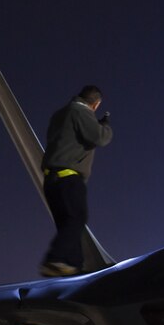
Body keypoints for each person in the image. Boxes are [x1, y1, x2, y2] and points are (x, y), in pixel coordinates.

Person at [39, 85, 113, 277]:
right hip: (68, 178)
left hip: (51, 180)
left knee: (69, 226)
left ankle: (73, 268)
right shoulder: (80, 111)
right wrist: (104, 126)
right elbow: (99, 138)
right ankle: (55, 259)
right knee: (76, 219)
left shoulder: (60, 114)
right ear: (95, 105)